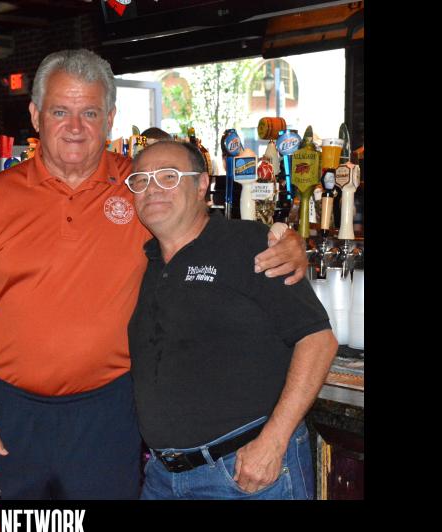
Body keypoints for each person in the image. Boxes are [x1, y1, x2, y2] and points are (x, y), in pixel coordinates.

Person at [0, 48, 308, 500]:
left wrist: (283, 240)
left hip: (108, 413)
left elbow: (205, 230)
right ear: (35, 116)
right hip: (8, 410)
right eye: (60, 111)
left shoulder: (141, 187)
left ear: (109, 119)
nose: (75, 127)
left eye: (90, 113)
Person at [127, 140, 338, 499]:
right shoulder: (144, 262)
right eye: (141, 180)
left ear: (201, 185)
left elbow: (318, 340)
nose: (153, 188)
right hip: (163, 478)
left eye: (169, 176)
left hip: (245, 474)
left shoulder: (248, 243)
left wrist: (273, 442)